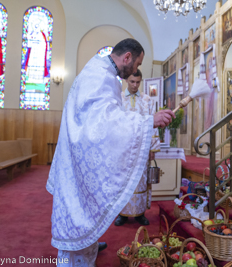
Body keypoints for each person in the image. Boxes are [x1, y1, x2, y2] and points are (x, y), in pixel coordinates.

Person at [46, 38, 175, 266]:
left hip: (77, 152)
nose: (136, 70)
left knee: (85, 208)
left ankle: (89, 242)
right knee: (80, 213)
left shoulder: (99, 70)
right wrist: (148, 122)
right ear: (127, 57)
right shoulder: (101, 77)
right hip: (80, 152)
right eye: (136, 64)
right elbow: (106, 124)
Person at [115, 70, 160, 227]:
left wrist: (153, 149)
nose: (135, 85)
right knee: (123, 182)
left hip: (142, 148)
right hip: (124, 148)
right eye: (132, 82)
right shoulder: (119, 98)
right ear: (127, 80)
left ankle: (140, 213)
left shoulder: (147, 100)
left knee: (140, 181)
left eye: (138, 82)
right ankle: (122, 214)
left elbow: (153, 124)